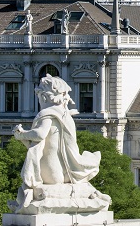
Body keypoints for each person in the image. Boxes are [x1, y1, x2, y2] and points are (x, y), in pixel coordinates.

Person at [12, 74, 103, 210]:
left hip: (49, 170)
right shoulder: (64, 114)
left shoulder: (47, 114)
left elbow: (40, 134)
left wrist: (22, 134)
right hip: (65, 170)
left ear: (44, 97)